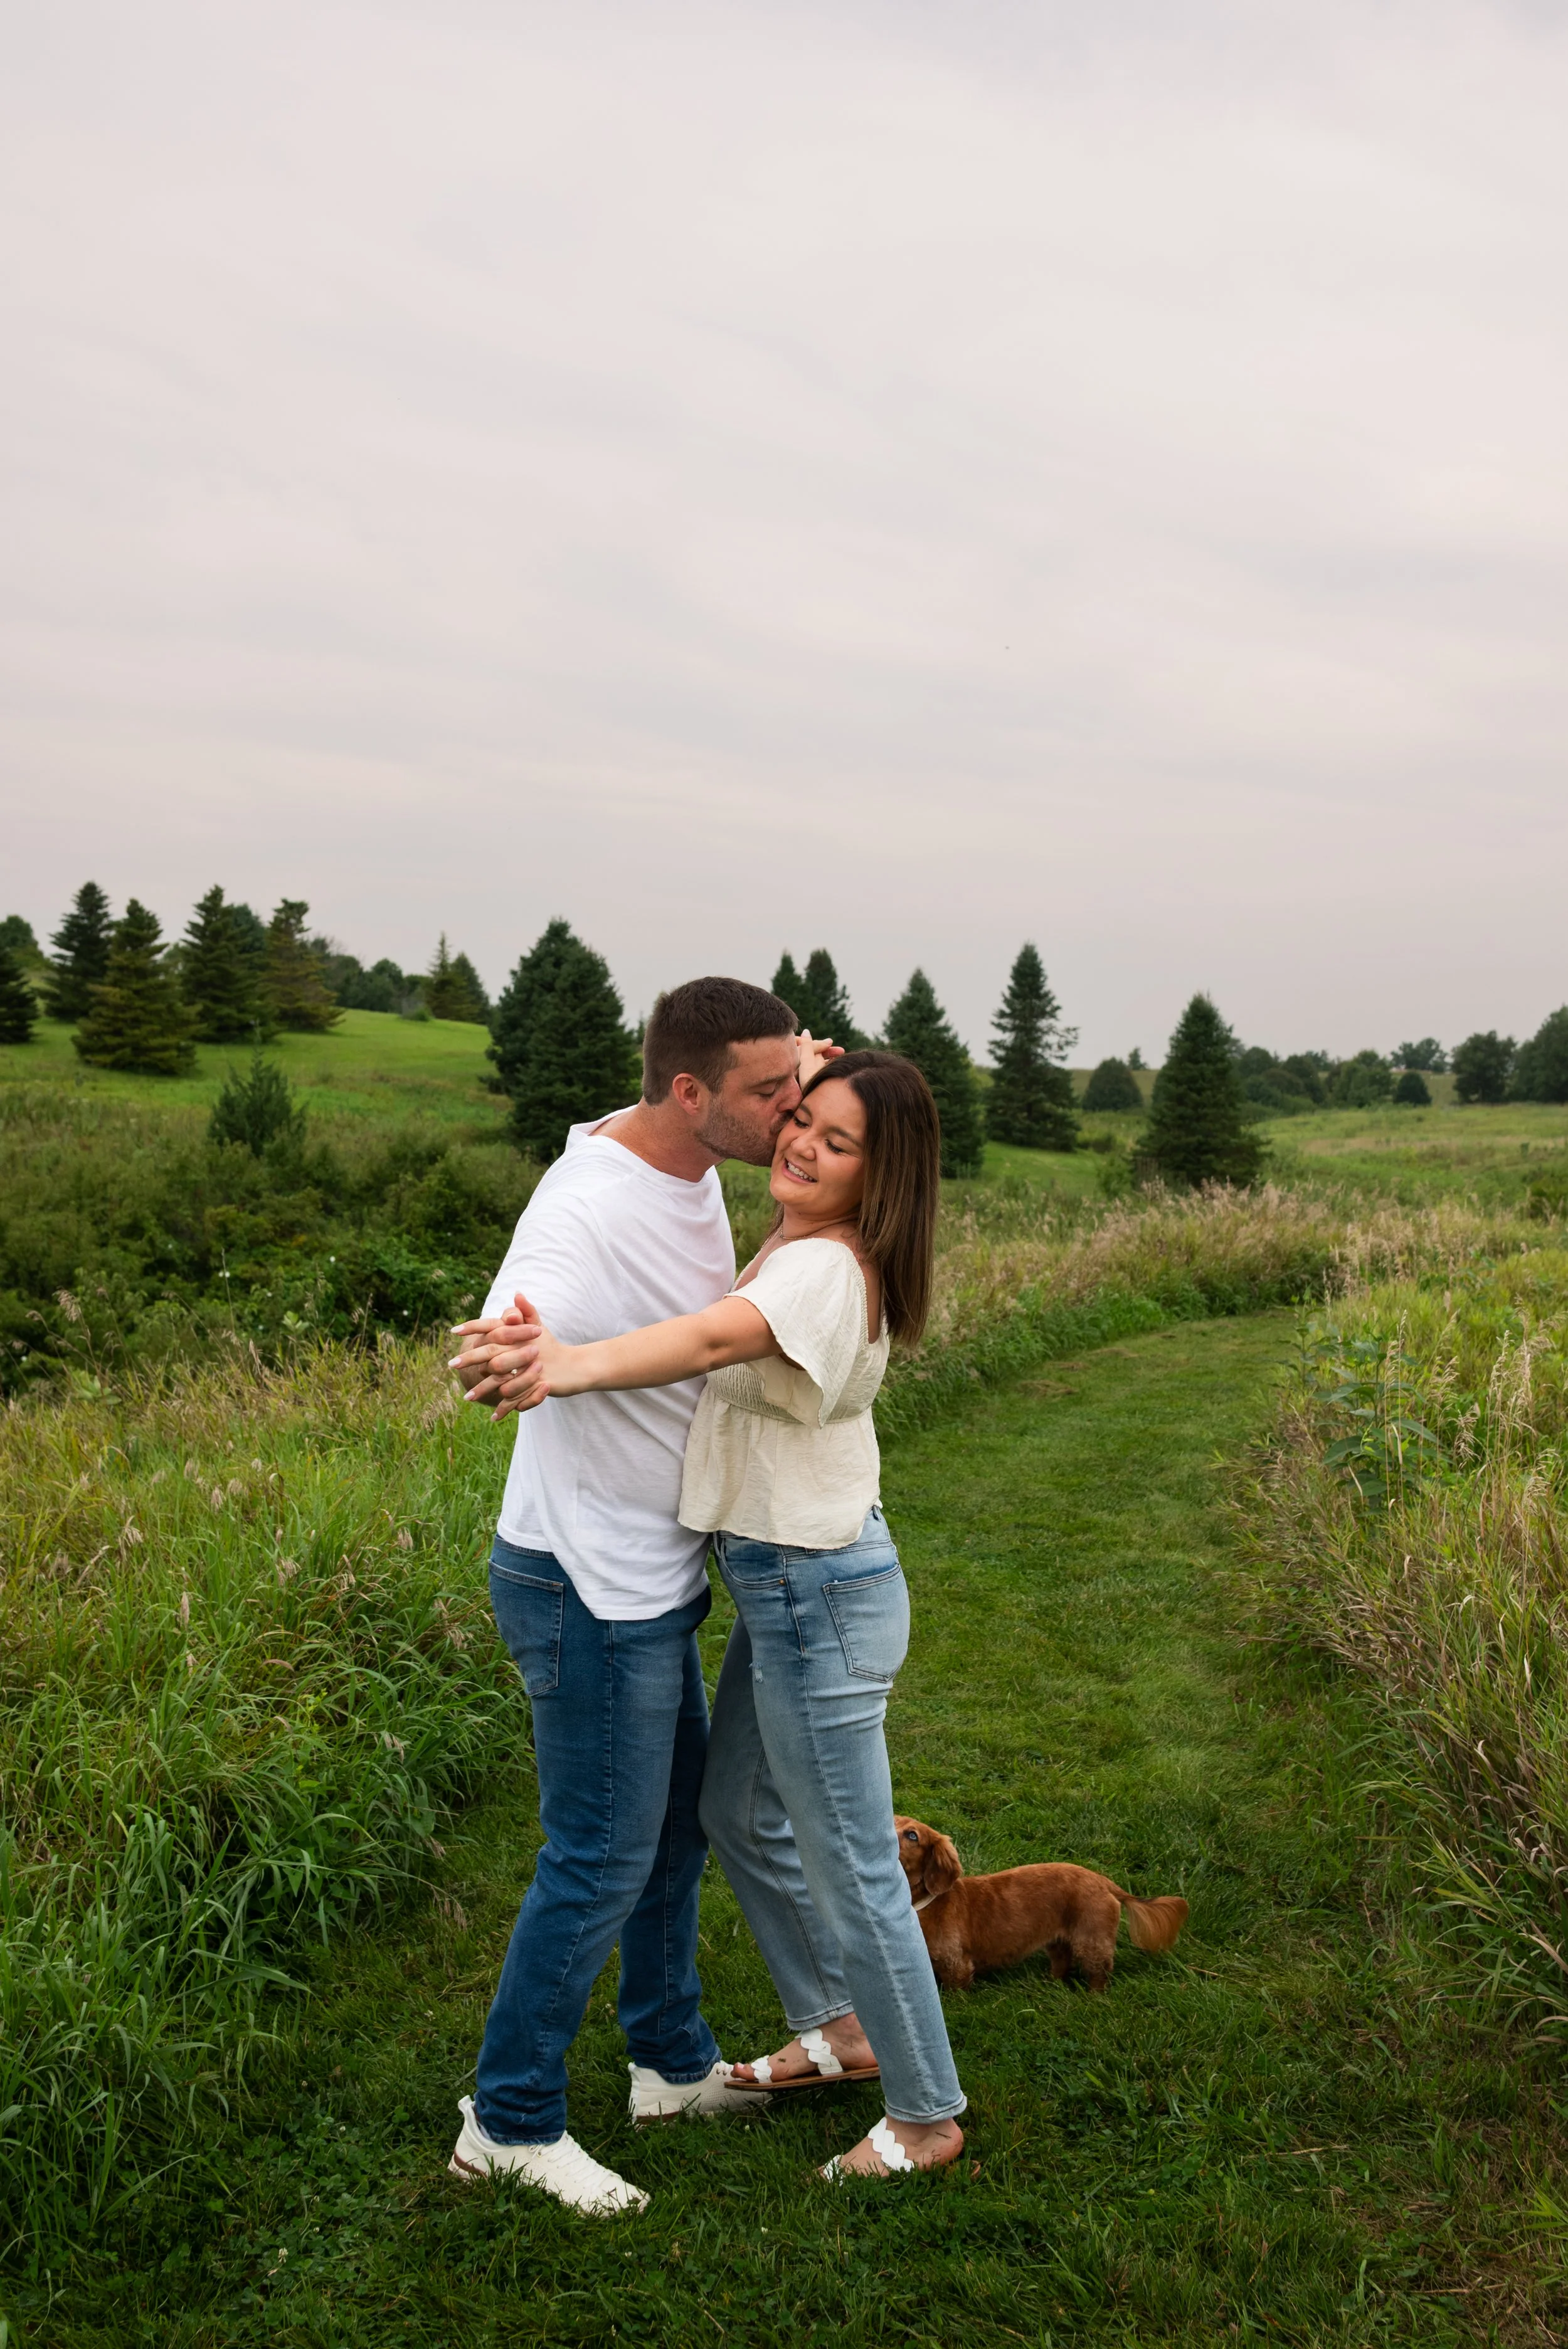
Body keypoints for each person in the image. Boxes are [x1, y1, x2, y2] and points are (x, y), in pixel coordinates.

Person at [477, 1051, 966, 2183]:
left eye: (836, 1143)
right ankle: (841, 2032)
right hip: (790, 1590)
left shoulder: (825, 1273)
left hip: (820, 1600)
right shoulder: (813, 1234)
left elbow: (702, 1343)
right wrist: (802, 1064)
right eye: (800, 1119)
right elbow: (645, 1116)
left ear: (881, 1179)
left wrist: (566, 1362)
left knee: (849, 1860)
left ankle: (927, 2114)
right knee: (737, 1814)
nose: (800, 1144)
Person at [443, 977, 827, 2217]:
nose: (792, 1112)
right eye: (772, 1093)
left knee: (673, 1835)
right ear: (684, 1091)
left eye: (793, 1083)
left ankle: (666, 2065)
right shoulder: (584, 1204)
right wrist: (509, 1350)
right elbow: (526, 1294)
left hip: (649, 1567)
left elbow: (786, 1084)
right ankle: (506, 2120)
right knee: (598, 1857)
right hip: (581, 1580)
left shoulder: (697, 1137)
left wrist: (799, 1064)